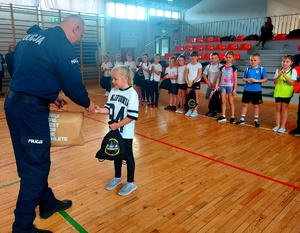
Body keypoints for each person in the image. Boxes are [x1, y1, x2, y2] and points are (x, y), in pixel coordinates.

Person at [4, 15, 96, 233]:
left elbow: (30, 71)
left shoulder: (32, 36)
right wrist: (87, 102)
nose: (77, 41)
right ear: (74, 29)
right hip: (30, 112)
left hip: (14, 104)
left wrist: (51, 94)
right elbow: (73, 84)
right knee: (35, 166)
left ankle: (47, 202)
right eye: (79, 36)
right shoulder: (61, 44)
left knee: (32, 160)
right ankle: (22, 227)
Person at [95, 65, 139, 196]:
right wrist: (99, 110)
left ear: (125, 78)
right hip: (115, 130)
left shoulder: (132, 94)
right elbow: (109, 108)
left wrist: (117, 125)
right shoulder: (113, 91)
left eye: (115, 79)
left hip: (126, 132)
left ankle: (131, 182)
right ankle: (118, 177)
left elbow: (132, 116)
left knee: (128, 155)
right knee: (116, 154)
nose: (113, 81)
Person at [236, 53, 268, 127]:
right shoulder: (247, 69)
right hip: (247, 90)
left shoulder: (261, 69)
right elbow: (243, 79)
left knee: (256, 106)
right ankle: (242, 119)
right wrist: (248, 80)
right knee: (245, 105)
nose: (253, 62)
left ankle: (256, 120)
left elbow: (265, 79)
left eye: (255, 60)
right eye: (251, 60)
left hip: (257, 91)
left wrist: (256, 81)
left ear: (259, 61)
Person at [272, 55, 297, 133]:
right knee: (278, 109)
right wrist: (279, 76)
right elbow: (275, 82)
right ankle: (277, 125)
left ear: (291, 63)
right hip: (278, 92)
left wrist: (285, 75)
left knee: (284, 110)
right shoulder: (278, 70)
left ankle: (282, 126)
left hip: (286, 93)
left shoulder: (293, 71)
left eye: (287, 62)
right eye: (283, 61)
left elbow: (292, 83)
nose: (285, 63)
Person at [215, 50, 238, 123]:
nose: (228, 59)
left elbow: (235, 79)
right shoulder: (222, 68)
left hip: (230, 86)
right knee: (223, 101)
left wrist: (235, 89)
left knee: (231, 102)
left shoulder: (234, 68)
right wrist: (216, 85)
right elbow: (218, 77)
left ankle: (232, 116)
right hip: (222, 86)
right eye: (227, 57)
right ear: (225, 58)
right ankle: (223, 116)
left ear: (232, 58)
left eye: (230, 57)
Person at [202, 52, 223, 118]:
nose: (213, 59)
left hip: (217, 85)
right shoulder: (208, 66)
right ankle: (210, 110)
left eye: (215, 58)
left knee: (216, 98)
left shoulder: (220, 66)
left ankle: (216, 111)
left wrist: (216, 84)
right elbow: (204, 75)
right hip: (210, 85)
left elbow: (221, 76)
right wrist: (208, 82)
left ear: (218, 59)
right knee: (210, 98)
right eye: (212, 58)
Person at [184, 50, 202, 117]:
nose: (193, 58)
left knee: (196, 96)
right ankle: (190, 109)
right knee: (189, 96)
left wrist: (193, 82)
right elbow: (186, 74)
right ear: (190, 57)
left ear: (197, 57)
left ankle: (195, 110)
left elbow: (199, 75)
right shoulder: (188, 65)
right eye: (192, 56)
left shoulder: (199, 65)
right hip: (189, 82)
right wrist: (187, 82)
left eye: (195, 56)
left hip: (196, 82)